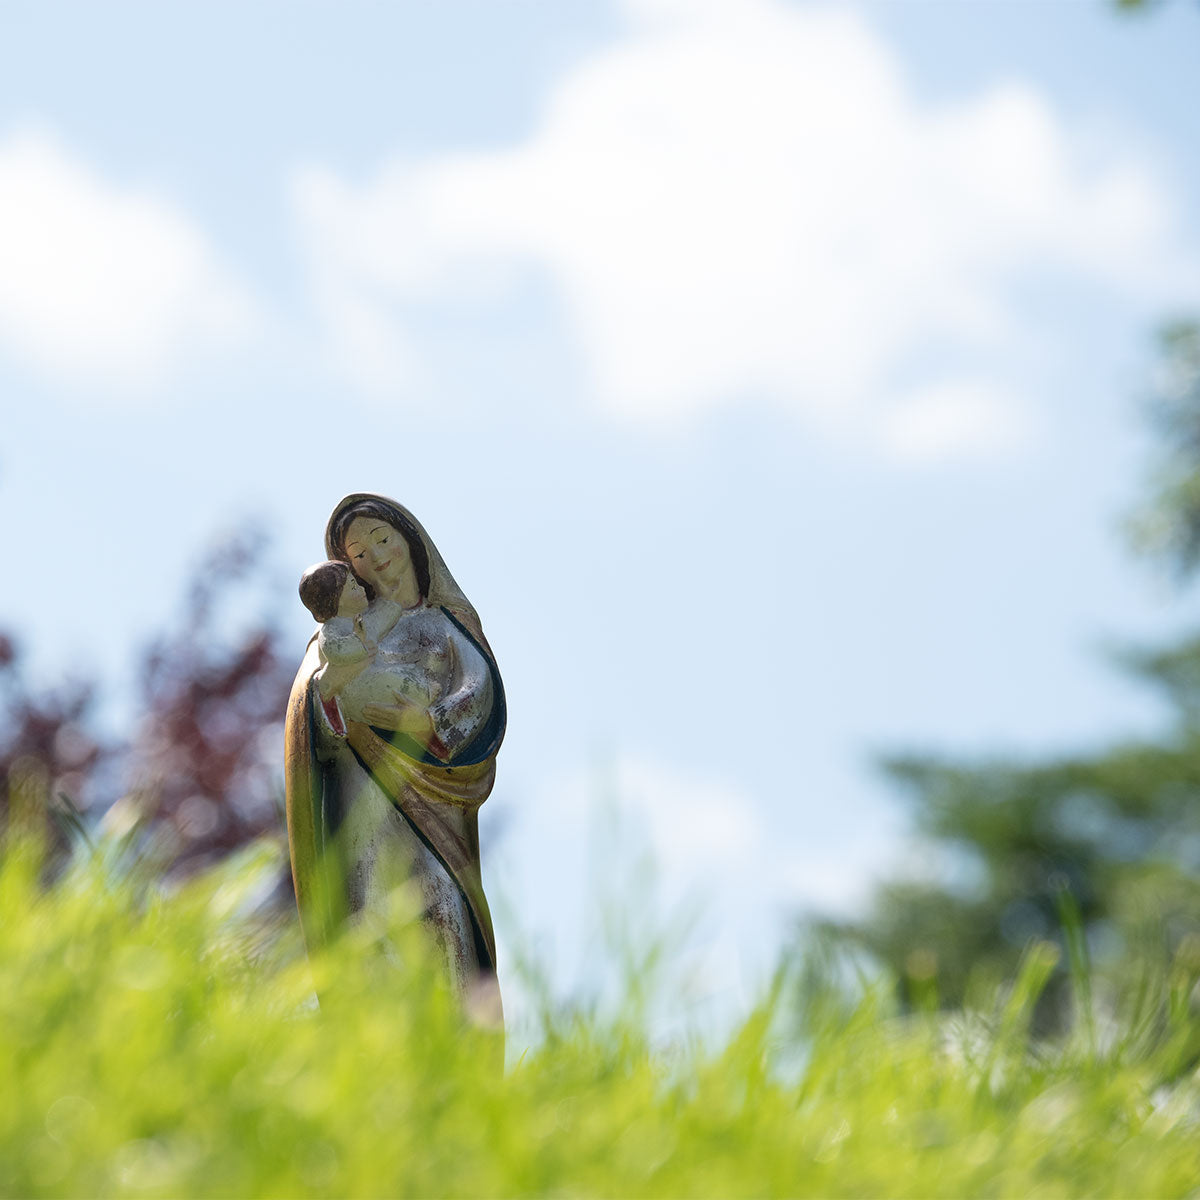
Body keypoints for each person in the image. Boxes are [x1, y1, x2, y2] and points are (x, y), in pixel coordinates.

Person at [284, 494, 506, 1018]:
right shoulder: (335, 638)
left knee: (439, 907)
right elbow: (310, 714)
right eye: (359, 552)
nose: (378, 556)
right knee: (373, 915)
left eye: (383, 539)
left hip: (433, 808)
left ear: (411, 541)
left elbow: (479, 694)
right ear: (348, 569)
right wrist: (336, 707)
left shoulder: (447, 624)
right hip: (362, 798)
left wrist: (428, 724)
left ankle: (455, 1048)